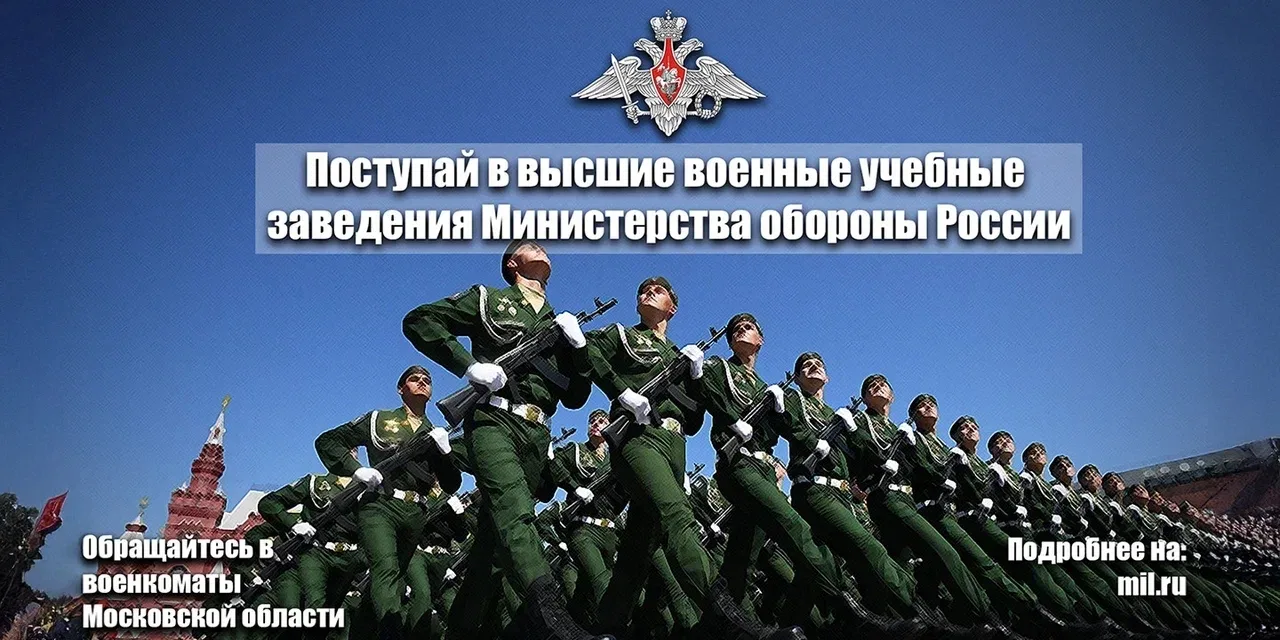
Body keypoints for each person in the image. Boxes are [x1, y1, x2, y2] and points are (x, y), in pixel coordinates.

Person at [402, 241, 602, 640]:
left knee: (491, 549)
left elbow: (576, 397)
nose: (542, 248)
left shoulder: (557, 322)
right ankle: (551, 619)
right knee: (516, 512)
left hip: (537, 433)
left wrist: (579, 349)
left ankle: (460, 630)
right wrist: (469, 366)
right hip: (493, 419)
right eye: (531, 246)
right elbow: (420, 320)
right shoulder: (489, 299)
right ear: (512, 263)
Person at [584, 280, 798, 640]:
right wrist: (621, 392)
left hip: (675, 445)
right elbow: (587, 349)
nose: (649, 291)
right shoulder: (623, 334)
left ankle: (608, 625)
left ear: (672, 308)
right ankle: (729, 618)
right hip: (638, 438)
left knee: (640, 542)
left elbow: (695, 421)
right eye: (644, 289)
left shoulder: (679, 357)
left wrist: (696, 377)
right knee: (677, 516)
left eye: (659, 289)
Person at [314, 365, 460, 640]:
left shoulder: (434, 432)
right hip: (380, 505)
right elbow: (328, 441)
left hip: (415, 513)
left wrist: (446, 451)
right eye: (414, 379)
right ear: (400, 389)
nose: (422, 383)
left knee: (391, 581)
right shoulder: (378, 420)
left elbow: (452, 484)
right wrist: (356, 469)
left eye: (427, 380)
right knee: (386, 570)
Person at [257, 472, 367, 640]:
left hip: (344, 563)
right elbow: (268, 504)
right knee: (314, 606)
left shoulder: (369, 491)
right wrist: (294, 525)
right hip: (310, 554)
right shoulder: (316, 483)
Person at [548, 409, 628, 626]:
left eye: (601, 421)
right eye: (592, 421)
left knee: (585, 592)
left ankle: (572, 627)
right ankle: (616, 630)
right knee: (602, 581)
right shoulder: (576, 450)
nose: (595, 424)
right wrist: (574, 487)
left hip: (608, 531)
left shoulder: (616, 458)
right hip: (583, 529)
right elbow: (553, 463)